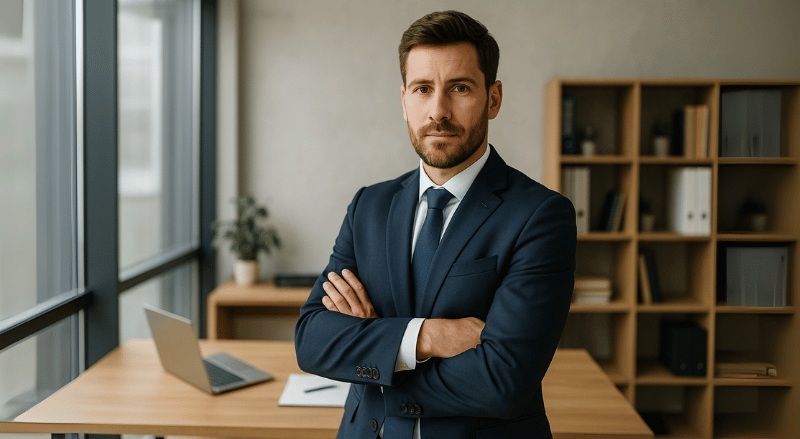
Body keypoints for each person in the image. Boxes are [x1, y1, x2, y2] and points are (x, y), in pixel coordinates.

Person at [295, 10, 576, 439]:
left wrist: (372, 353)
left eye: (459, 88)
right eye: (423, 89)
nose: (438, 111)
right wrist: (424, 337)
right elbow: (312, 340)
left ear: (493, 99)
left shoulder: (540, 216)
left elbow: (503, 382)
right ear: (404, 100)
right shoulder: (369, 206)